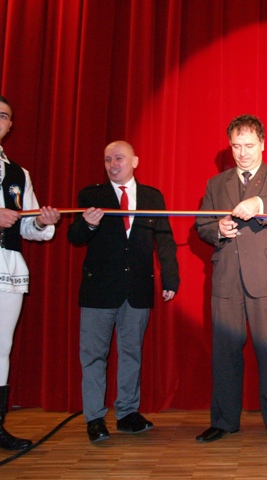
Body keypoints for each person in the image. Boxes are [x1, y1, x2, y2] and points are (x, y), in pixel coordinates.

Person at [194, 114, 267, 443]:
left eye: (249, 145)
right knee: (225, 353)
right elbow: (201, 225)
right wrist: (217, 229)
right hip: (227, 278)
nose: (243, 153)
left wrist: (259, 202)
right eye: (237, 146)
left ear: (263, 144)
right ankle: (224, 420)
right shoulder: (216, 184)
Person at [68, 140, 179, 443]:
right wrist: (88, 225)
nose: (112, 164)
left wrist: (170, 278)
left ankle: (128, 413)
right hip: (99, 290)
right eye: (107, 159)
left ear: (135, 161)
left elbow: (164, 239)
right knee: (94, 355)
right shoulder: (92, 196)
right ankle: (94, 418)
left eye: (118, 158)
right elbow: (74, 236)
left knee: (132, 353)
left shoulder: (152, 197)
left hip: (137, 288)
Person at [0, 95, 61, 450]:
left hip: (6, 264)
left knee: (1, 347)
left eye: (4, 116)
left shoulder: (18, 174)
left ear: (10, 126)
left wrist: (41, 221)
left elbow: (29, 226)